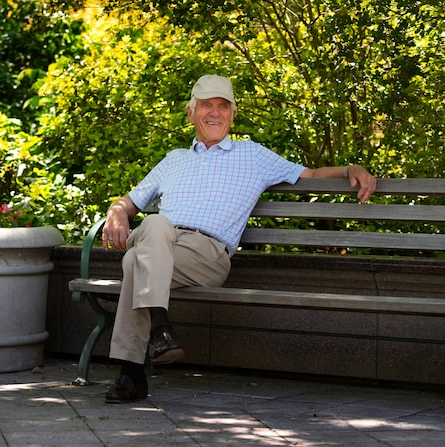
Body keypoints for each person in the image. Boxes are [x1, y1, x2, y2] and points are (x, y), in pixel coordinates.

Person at [101, 74, 377, 404]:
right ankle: (156, 339)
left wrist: (351, 169)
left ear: (233, 115)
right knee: (154, 232)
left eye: (223, 106)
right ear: (191, 114)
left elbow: (310, 175)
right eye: (206, 105)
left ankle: (133, 370)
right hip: (160, 243)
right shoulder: (173, 160)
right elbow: (129, 202)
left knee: (136, 258)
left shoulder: (253, 156)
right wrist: (116, 213)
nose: (215, 113)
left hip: (206, 255)